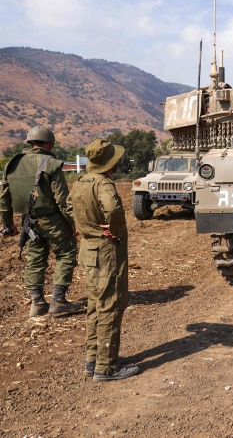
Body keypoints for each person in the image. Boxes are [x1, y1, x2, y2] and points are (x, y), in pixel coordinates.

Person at [68, 138, 139, 381]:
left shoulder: (80, 182)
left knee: (95, 305)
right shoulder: (103, 184)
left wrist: (82, 225)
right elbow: (113, 209)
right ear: (112, 162)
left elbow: (68, 206)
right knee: (110, 304)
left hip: (88, 250)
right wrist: (114, 229)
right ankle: (107, 367)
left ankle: (93, 359)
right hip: (107, 250)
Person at [0, 126, 80, 317]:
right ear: (48, 144)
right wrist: (74, 223)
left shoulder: (13, 164)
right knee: (67, 253)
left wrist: (7, 224)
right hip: (52, 219)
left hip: (28, 221)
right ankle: (58, 301)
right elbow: (62, 200)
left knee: (35, 259)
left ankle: (37, 303)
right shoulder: (51, 164)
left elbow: (4, 199)